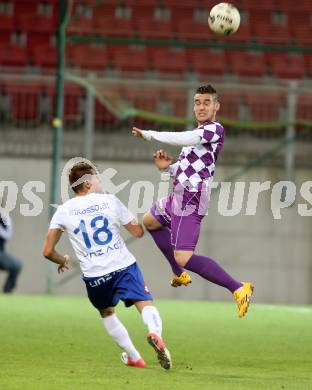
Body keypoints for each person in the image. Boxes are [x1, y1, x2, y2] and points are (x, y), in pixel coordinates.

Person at [132, 84, 254, 319]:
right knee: (150, 220)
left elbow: (182, 139)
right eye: (197, 102)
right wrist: (167, 169)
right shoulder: (196, 138)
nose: (201, 106)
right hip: (180, 194)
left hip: (192, 198)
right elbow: (188, 168)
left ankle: (239, 288)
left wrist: (149, 135)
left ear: (216, 106)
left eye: (206, 102)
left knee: (184, 256)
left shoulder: (214, 129)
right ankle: (179, 273)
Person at [43, 161, 172, 370]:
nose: (100, 181)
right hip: (124, 267)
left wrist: (63, 260)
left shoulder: (63, 211)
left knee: (107, 313)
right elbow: (138, 232)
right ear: (86, 183)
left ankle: (134, 357)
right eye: (97, 178)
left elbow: (48, 251)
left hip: (95, 276)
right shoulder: (110, 201)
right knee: (144, 301)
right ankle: (155, 333)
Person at [0, 209, 22, 293]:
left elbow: (7, 235)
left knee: (16, 265)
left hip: (1, 254)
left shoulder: (5, 219)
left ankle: (7, 291)